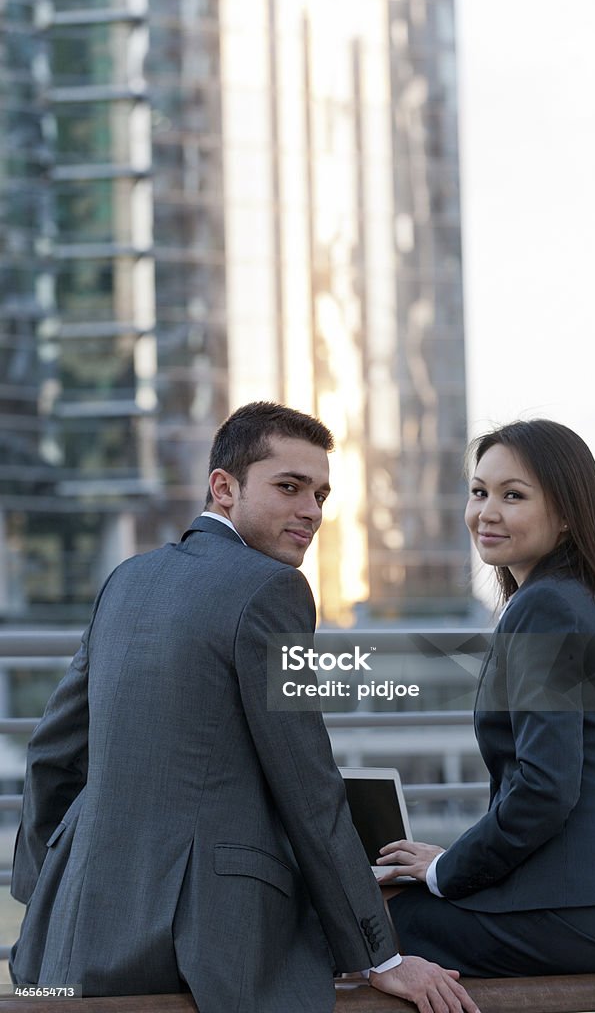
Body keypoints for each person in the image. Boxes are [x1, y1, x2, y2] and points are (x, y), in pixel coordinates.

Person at [10, 402, 477, 1013]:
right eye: (289, 487)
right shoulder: (271, 588)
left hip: (82, 927)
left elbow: (52, 753)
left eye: (321, 495)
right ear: (224, 488)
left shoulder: (128, 579)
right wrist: (381, 956)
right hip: (211, 944)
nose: (310, 511)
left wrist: (50, 888)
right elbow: (308, 785)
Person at [378, 418, 595, 976]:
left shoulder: (545, 608)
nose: (486, 512)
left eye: (513, 496)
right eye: (479, 492)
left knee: (359, 928)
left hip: (579, 919)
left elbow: (546, 786)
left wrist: (447, 870)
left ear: (567, 517)